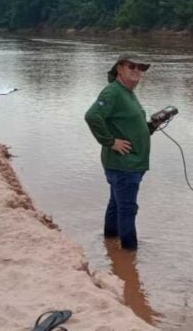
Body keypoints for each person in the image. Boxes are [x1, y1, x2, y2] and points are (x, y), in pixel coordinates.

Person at [84, 52, 158, 251]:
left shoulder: (126, 92)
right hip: (125, 165)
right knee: (127, 209)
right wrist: (110, 141)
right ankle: (129, 255)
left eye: (140, 67)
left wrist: (152, 126)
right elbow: (92, 116)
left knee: (116, 204)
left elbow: (129, 127)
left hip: (129, 163)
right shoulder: (113, 92)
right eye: (132, 66)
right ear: (119, 68)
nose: (137, 70)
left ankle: (110, 242)